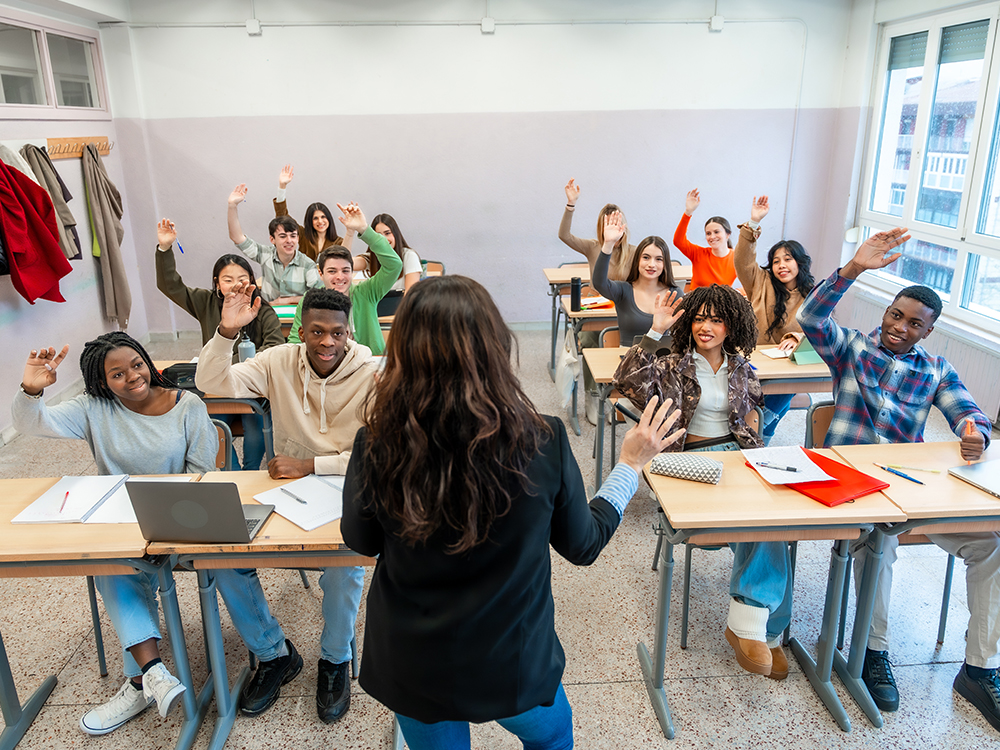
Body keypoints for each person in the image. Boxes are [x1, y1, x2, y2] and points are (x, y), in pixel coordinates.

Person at [341, 275, 684, 749]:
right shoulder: (543, 439)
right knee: (551, 738)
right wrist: (628, 465)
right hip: (512, 661)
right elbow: (583, 546)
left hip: (415, 661)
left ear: (401, 355)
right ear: (495, 346)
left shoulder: (376, 443)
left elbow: (360, 541)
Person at [11, 333, 286, 734]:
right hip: (125, 529)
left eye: (137, 365)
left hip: (185, 525)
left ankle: (274, 654)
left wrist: (166, 532)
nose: (132, 377)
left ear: (147, 362)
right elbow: (32, 423)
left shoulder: (186, 406)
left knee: (227, 563)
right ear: (102, 382)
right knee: (111, 566)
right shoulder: (93, 407)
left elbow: (201, 477)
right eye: (117, 374)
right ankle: (148, 677)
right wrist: (31, 390)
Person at [796, 227, 999, 730]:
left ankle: (980, 668)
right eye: (895, 315)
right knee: (878, 543)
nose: (900, 327)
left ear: (928, 331)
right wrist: (853, 269)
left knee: (991, 545)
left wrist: (975, 432)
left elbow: (968, 412)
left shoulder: (935, 369)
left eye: (914, 324)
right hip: (853, 490)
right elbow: (811, 317)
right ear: (885, 313)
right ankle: (873, 651)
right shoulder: (850, 349)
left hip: (909, 490)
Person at [196, 284, 378, 725]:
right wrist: (226, 332)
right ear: (301, 329)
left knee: (346, 564)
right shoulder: (278, 361)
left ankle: (334, 658)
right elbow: (211, 384)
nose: (327, 342)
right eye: (316, 332)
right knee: (223, 555)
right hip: (286, 491)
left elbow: (381, 454)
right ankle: (274, 653)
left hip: (345, 487)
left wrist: (311, 464)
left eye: (337, 333)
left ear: (349, 332)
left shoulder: (372, 373)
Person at [612, 285, 792, 679]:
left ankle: (764, 632)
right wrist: (655, 330)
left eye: (716, 319)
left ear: (731, 326)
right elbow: (624, 381)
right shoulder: (672, 365)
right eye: (698, 319)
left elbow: (754, 418)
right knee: (758, 524)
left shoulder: (742, 369)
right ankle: (754, 627)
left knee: (774, 521)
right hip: (688, 462)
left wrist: (759, 452)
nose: (705, 327)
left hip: (737, 458)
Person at [154, 218, 283, 470]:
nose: (236, 285)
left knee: (255, 423)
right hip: (215, 386)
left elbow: (275, 346)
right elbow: (170, 286)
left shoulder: (262, 309)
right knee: (211, 425)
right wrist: (165, 248)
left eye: (242, 278)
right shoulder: (206, 302)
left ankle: (250, 471)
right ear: (217, 283)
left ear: (252, 280)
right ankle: (233, 472)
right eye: (227, 279)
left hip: (250, 387)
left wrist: (237, 368)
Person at [733, 195, 815, 443]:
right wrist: (753, 222)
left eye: (788, 259)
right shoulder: (761, 281)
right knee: (778, 397)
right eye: (776, 261)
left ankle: (759, 430)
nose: (781, 265)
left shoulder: (812, 294)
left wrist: (797, 337)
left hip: (786, 365)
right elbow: (742, 260)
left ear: (799, 263)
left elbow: (823, 329)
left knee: (787, 387)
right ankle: (761, 431)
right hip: (753, 358)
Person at [559, 178, 638, 423]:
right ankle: (593, 394)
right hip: (595, 311)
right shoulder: (594, 247)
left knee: (627, 343)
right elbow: (564, 235)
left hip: (622, 311)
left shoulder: (634, 251)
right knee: (590, 340)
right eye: (608, 224)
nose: (613, 227)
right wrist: (570, 204)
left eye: (617, 222)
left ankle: (620, 395)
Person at [286, 203, 402, 355]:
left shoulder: (366, 292)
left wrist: (364, 229)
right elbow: (294, 342)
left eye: (345, 271)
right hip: (327, 365)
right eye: (332, 271)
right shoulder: (310, 299)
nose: (339, 277)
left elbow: (394, 265)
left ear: (352, 272)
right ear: (320, 273)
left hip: (369, 362)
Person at [591, 211, 683, 347]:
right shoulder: (623, 290)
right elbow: (599, 283)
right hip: (629, 358)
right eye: (646, 257)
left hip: (663, 359)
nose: (651, 264)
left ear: (665, 265)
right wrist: (608, 244)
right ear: (637, 260)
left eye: (659, 259)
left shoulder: (675, 294)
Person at [227, 182, 322, 305]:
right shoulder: (265, 255)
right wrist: (232, 206)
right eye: (283, 236)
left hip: (296, 314)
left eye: (293, 236)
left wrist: (287, 300)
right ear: (272, 239)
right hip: (269, 312)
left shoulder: (308, 264)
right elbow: (237, 237)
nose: (289, 240)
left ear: (298, 238)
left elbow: (318, 295)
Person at [272, 164, 354, 261]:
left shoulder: (338, 242)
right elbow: (282, 217)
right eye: (315, 218)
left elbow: (345, 259)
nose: (320, 221)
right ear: (310, 221)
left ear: (329, 219)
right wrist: (282, 186)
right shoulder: (303, 235)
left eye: (323, 217)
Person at [355, 213, 423, 316]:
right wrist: (350, 232)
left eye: (387, 233)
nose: (383, 239)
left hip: (399, 312)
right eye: (378, 236)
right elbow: (345, 263)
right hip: (375, 312)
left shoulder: (409, 255)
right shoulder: (372, 257)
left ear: (395, 234)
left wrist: (400, 318)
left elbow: (410, 294)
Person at [673, 188, 736, 289]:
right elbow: (678, 241)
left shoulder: (736, 258)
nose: (712, 237)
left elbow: (752, 282)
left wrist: (737, 292)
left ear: (728, 234)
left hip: (722, 299)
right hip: (697, 298)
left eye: (716, 232)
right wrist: (688, 213)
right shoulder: (698, 254)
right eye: (708, 233)